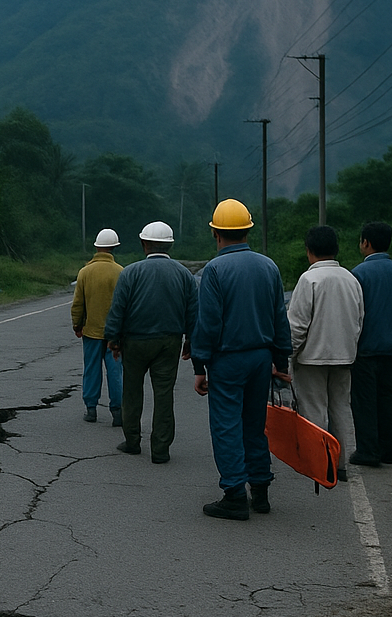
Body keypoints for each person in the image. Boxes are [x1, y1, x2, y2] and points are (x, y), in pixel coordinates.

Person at [190, 199, 292, 520]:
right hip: (262, 359)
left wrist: (199, 365)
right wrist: (281, 361)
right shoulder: (269, 266)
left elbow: (208, 323)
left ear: (216, 234)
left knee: (226, 425)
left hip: (228, 360)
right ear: (248, 230)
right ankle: (260, 491)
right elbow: (279, 318)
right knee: (254, 425)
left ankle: (234, 493)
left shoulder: (215, 270)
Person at [103, 220, 198, 464]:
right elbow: (193, 313)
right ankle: (161, 449)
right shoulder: (184, 274)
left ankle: (132, 441)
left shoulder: (130, 272)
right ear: (171, 246)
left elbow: (118, 309)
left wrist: (113, 339)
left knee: (132, 392)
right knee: (164, 394)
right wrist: (191, 341)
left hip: (135, 341)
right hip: (169, 342)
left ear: (144, 243)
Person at [287, 225, 363, 477]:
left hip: (312, 358)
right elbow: (359, 320)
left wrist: (288, 357)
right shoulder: (351, 279)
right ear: (336, 250)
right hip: (344, 356)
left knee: (313, 410)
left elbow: (297, 326)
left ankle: (320, 463)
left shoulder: (309, 280)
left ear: (309, 251)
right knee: (340, 408)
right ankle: (339, 464)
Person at [349, 222, 392, 467]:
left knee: (364, 400)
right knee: (389, 398)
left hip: (366, 347)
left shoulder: (359, 274)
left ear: (366, 243)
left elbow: (355, 315)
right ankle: (389, 449)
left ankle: (368, 450)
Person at [71, 228, 123, 423]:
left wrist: (78, 324)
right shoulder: (121, 271)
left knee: (92, 369)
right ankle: (117, 411)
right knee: (116, 372)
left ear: (96, 247)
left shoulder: (85, 272)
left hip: (91, 331)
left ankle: (91, 409)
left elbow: (78, 304)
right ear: (114, 248)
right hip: (114, 335)